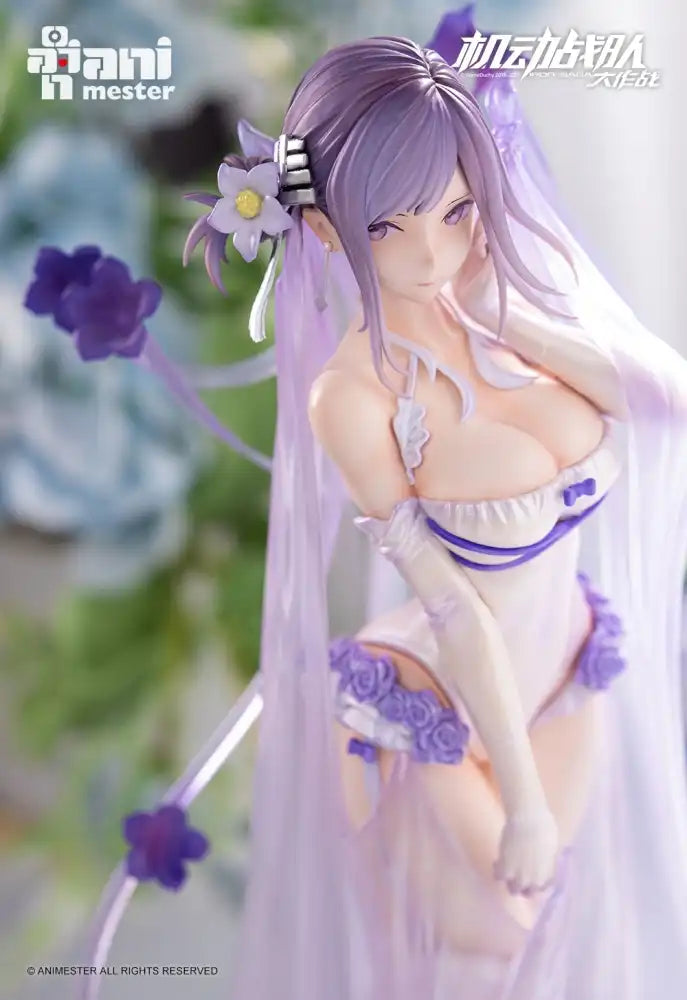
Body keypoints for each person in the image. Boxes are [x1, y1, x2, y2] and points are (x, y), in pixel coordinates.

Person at [73, 14, 687, 1000]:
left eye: (456, 210)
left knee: (565, 949)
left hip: (567, 667)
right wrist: (522, 801)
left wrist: (503, 314)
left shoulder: (506, 307)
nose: (433, 252)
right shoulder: (352, 395)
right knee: (492, 940)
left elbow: (663, 399)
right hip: (439, 702)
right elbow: (452, 604)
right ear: (326, 228)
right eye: (389, 226)